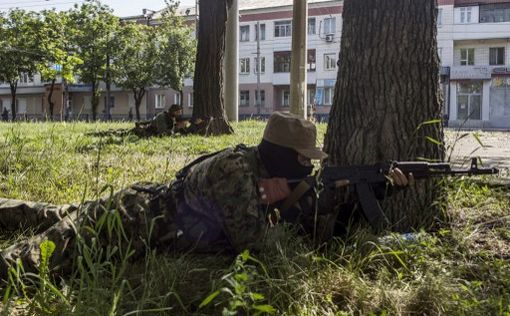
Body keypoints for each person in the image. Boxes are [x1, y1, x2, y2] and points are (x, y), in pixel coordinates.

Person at [0, 112, 410, 280]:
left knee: (44, 213)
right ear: (282, 156)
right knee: (28, 262)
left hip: (140, 206)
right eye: (303, 161)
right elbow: (254, 247)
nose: (308, 168)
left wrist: (369, 194)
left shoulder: (262, 169)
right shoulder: (236, 172)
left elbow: (308, 213)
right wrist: (282, 204)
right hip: (129, 223)